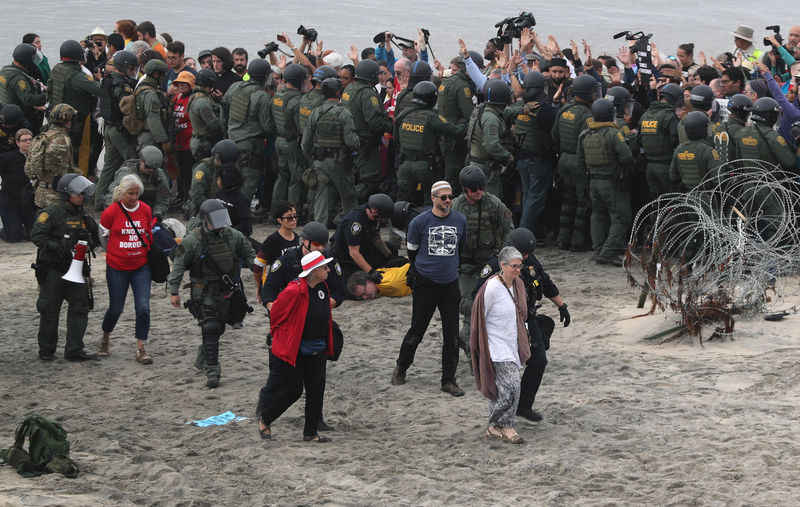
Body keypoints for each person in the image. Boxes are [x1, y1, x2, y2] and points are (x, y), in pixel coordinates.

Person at [472, 228, 570, 423]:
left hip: (527, 319)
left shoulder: (530, 262)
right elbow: (478, 298)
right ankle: (499, 414)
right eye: (522, 254)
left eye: (527, 254)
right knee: (506, 369)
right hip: (503, 324)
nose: (524, 258)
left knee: (539, 361)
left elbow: (546, 283)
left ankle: (524, 406)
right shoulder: (494, 266)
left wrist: (562, 306)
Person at [168, 199, 256, 388]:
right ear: (205, 220)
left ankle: (203, 355)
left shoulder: (234, 236)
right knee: (211, 328)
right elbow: (179, 265)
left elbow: (250, 257)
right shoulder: (193, 240)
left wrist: (261, 270)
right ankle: (213, 371)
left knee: (219, 328)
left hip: (229, 290)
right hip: (203, 291)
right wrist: (174, 291)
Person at [391, 180, 467, 396]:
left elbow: (460, 248)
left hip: (450, 284)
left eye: (451, 197)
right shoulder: (419, 222)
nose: (448, 201)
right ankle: (401, 367)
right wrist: (422, 272)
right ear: (433, 198)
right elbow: (412, 252)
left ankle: (448, 380)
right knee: (417, 330)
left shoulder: (460, 220)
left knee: (451, 335)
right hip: (425, 284)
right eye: (443, 197)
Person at [256, 251, 335, 442]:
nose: (328, 269)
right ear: (314, 271)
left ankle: (310, 433)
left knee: (317, 389)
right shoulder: (294, 290)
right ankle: (265, 418)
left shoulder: (322, 286)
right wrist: (286, 337)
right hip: (295, 348)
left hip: (316, 345)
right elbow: (276, 315)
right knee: (293, 390)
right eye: (324, 267)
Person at [30, 174, 99, 362]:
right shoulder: (50, 213)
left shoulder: (84, 215)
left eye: (83, 193)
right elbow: (37, 236)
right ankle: (46, 350)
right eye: (78, 193)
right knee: (49, 310)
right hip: (53, 269)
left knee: (80, 308)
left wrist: (90, 243)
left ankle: (74, 349)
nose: (82, 196)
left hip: (77, 268)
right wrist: (58, 248)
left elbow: (96, 235)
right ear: (66, 193)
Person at [470, 246, 530, 444]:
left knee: (505, 391)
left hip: (512, 343)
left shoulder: (518, 285)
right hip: (495, 346)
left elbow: (521, 314)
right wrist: (482, 348)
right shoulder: (491, 288)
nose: (518, 270)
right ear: (502, 265)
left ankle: (496, 426)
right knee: (513, 387)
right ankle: (506, 426)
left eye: (519, 266)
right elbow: (479, 318)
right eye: (514, 266)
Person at [452, 165, 513, 356]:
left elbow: (509, 229)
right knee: (470, 305)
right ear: (464, 189)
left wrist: (503, 256)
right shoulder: (456, 207)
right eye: (473, 189)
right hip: (466, 264)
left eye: (481, 187)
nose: (479, 192)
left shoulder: (494, 204)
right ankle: (471, 350)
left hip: (490, 261)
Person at [98, 174, 153, 363]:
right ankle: (105, 337)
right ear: (122, 193)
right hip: (117, 267)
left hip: (141, 267)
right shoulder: (111, 212)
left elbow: (148, 234)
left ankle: (140, 347)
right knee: (116, 308)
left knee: (143, 307)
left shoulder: (145, 210)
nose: (134, 197)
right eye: (130, 193)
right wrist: (112, 254)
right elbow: (103, 236)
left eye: (137, 193)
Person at [577, 98, 634, 266]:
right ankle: (608, 252)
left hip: (593, 181)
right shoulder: (613, 133)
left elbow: (580, 161)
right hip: (612, 182)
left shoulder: (584, 134)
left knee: (598, 215)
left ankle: (599, 249)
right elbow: (626, 157)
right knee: (622, 217)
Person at [393, 81, 465, 205]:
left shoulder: (403, 114)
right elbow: (454, 130)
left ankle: (397, 224)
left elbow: (396, 139)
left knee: (402, 201)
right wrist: (463, 123)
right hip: (425, 166)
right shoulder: (431, 117)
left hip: (404, 165)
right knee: (431, 200)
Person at [301, 77, 360, 227]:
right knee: (349, 200)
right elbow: (351, 142)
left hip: (320, 163)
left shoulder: (315, 113)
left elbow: (305, 143)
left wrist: (313, 160)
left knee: (321, 201)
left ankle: (317, 235)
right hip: (340, 163)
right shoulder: (344, 113)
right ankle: (351, 231)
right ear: (339, 92)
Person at [552, 74, 599, 251]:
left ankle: (563, 239)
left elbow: (554, 136)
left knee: (567, 200)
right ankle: (578, 241)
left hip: (563, 158)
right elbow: (585, 140)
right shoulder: (587, 115)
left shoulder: (564, 110)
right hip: (578, 161)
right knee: (582, 202)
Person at [507, 71, 558, 232]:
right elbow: (555, 134)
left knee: (528, 197)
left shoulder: (520, 108)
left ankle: (529, 231)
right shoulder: (545, 109)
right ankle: (523, 233)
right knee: (534, 200)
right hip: (539, 160)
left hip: (523, 159)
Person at [221, 58, 275, 201]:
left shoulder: (235, 87)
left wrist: (228, 129)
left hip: (231, 142)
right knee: (249, 180)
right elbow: (267, 126)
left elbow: (224, 107)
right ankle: (242, 210)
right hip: (251, 145)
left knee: (231, 178)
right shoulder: (262, 96)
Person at [342, 59, 392, 201]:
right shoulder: (368, 94)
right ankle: (346, 209)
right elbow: (375, 123)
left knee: (355, 178)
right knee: (370, 179)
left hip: (352, 140)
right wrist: (392, 127)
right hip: (366, 144)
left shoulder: (349, 89)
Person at [96, 50, 139, 208]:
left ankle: (98, 200)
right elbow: (126, 106)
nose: (133, 72)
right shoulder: (122, 86)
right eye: (131, 69)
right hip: (119, 131)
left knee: (109, 167)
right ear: (123, 67)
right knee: (132, 161)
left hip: (108, 127)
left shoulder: (107, 79)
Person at [47, 40, 102, 161]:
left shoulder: (57, 69)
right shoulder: (77, 76)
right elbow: (100, 90)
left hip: (55, 118)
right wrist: (101, 79)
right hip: (74, 123)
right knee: (76, 152)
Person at [25, 103, 80, 209]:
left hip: (40, 193)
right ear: (68, 122)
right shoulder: (63, 140)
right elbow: (62, 169)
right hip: (55, 195)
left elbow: (29, 168)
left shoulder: (41, 137)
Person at [467, 79, 514, 197]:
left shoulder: (482, 109)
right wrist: (507, 157)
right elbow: (491, 145)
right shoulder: (491, 119)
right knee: (490, 202)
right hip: (486, 168)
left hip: (475, 163)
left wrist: (522, 108)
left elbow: (506, 112)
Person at [332, 193, 394, 281]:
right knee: (355, 287)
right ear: (374, 211)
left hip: (363, 248)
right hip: (346, 258)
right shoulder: (355, 222)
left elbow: (376, 239)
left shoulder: (373, 217)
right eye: (381, 217)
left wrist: (390, 256)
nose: (381, 220)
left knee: (392, 248)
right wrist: (371, 272)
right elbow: (354, 252)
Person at [636, 83, 681, 200]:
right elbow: (675, 140)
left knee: (656, 203)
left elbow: (639, 139)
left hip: (649, 166)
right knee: (672, 202)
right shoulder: (670, 116)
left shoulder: (646, 115)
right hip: (666, 166)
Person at [271, 63, 306, 209]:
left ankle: (275, 212)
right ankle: (293, 211)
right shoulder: (297, 101)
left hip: (279, 140)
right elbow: (301, 127)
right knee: (296, 178)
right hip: (291, 142)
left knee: (282, 176)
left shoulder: (278, 95)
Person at [437, 54, 476, 189]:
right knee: (454, 175)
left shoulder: (447, 81)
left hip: (444, 133)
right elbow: (470, 114)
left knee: (447, 172)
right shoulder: (462, 86)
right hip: (456, 136)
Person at [107, 146, 171, 220]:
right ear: (141, 162)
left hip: (148, 211)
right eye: (148, 167)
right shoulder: (127, 173)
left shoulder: (158, 175)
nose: (151, 170)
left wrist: (157, 213)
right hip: (126, 211)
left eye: (154, 168)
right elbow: (113, 197)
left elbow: (163, 198)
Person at [252, 200, 299, 297]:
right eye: (289, 218)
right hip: (276, 288)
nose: (294, 220)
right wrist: (259, 286)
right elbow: (258, 264)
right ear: (279, 220)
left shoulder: (296, 237)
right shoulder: (273, 240)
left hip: (292, 286)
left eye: (295, 216)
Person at [733, 97, 795, 169]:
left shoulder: (742, 132)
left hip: (749, 178)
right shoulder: (773, 137)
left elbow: (739, 161)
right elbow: (790, 163)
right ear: (771, 116)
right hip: (771, 178)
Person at [1, 44, 48, 135]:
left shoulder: (5, 70)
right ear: (26, 61)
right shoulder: (19, 79)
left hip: (7, 112)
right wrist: (45, 94)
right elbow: (29, 100)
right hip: (21, 118)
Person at [0, 128, 34, 241]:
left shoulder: (37, 157)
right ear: (18, 142)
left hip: (28, 201)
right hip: (11, 200)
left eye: (30, 139)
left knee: (33, 235)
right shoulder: (7, 158)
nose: (28, 142)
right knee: (13, 236)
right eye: (24, 140)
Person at [190, 139, 238, 215]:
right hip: (205, 210)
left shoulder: (230, 168)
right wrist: (216, 207)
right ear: (216, 157)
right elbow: (197, 196)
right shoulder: (203, 170)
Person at [134, 59, 171, 153]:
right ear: (155, 74)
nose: (164, 78)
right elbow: (153, 119)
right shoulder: (150, 94)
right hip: (150, 139)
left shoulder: (143, 87)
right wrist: (164, 140)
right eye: (162, 75)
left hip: (147, 136)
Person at [171, 71, 196, 204]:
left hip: (189, 142)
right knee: (178, 171)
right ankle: (180, 195)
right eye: (179, 83)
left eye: (184, 83)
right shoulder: (177, 97)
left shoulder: (193, 99)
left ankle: (187, 197)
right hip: (177, 141)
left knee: (187, 172)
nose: (181, 85)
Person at [187, 68, 222, 161]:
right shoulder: (203, 102)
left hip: (199, 141)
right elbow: (214, 124)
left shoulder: (195, 96)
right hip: (203, 144)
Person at [346, 264, 412, 299]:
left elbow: (413, 266)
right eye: (360, 297)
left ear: (369, 282)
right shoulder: (376, 284)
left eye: (364, 293)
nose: (365, 297)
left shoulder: (389, 283)